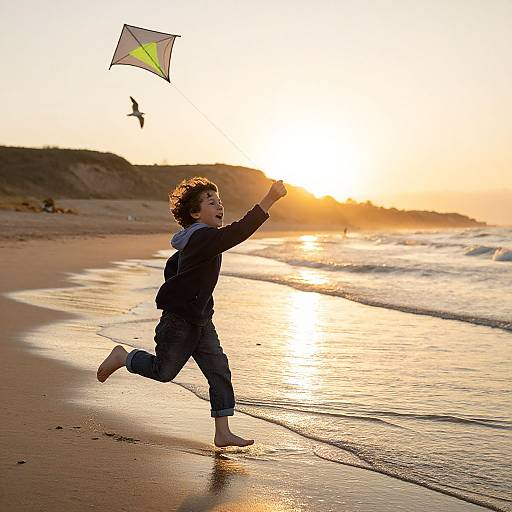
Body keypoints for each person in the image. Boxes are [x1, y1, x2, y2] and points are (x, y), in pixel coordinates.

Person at [97, 176, 287, 447]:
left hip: (201, 319)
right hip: (180, 322)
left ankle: (223, 432)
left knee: (219, 369)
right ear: (195, 213)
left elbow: (173, 266)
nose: (219, 206)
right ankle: (123, 356)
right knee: (164, 372)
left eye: (220, 202)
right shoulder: (202, 237)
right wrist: (269, 199)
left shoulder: (199, 239)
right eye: (212, 203)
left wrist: (187, 294)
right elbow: (238, 231)